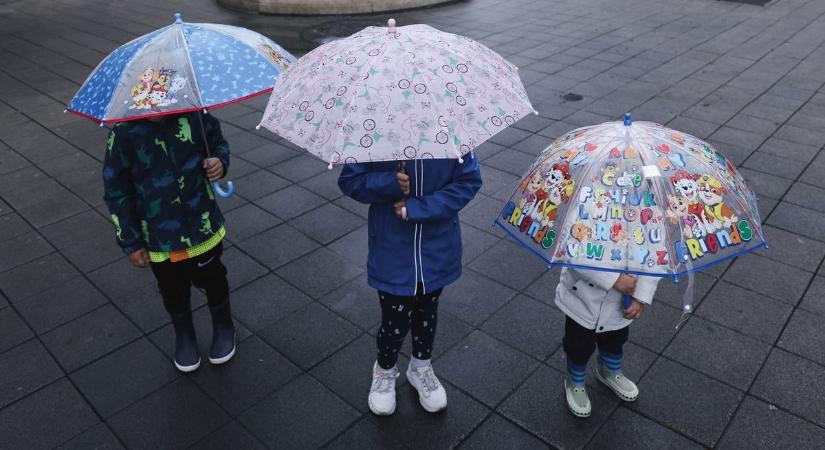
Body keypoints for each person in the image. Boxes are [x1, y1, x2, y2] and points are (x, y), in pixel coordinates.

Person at [338, 155, 482, 415]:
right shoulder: (375, 133)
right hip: (392, 248)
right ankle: (384, 369)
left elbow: (468, 181)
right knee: (394, 319)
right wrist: (390, 183)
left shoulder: (451, 135)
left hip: (437, 247)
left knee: (427, 311)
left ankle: (421, 366)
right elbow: (350, 181)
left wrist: (421, 207)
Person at [103, 111, 235, 373]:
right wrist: (130, 240)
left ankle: (224, 325)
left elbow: (217, 144)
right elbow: (116, 191)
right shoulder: (123, 134)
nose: (155, 105)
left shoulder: (197, 117)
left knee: (213, 278)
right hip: (158, 237)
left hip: (201, 226)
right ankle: (184, 334)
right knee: (172, 287)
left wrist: (219, 161)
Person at [555, 269, 658, 417]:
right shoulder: (581, 242)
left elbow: (652, 263)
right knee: (578, 345)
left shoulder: (643, 243)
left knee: (615, 339)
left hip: (618, 304)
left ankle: (609, 370)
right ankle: (575, 380)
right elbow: (575, 255)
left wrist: (640, 297)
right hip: (583, 300)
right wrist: (613, 279)